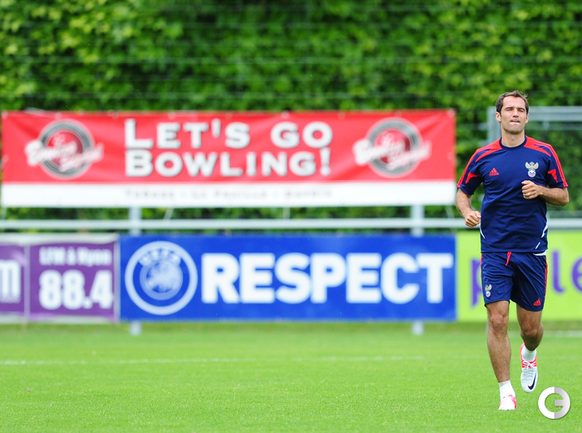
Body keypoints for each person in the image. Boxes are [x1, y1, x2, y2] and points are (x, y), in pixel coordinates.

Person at [455, 90, 569, 410]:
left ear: (527, 117)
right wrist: (466, 211)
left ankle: (529, 353)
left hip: (532, 252)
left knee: (530, 330)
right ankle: (506, 392)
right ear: (499, 116)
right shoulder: (483, 156)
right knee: (497, 320)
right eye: (509, 109)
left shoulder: (544, 152)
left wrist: (541, 190)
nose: (515, 113)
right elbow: (462, 192)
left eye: (520, 109)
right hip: (494, 251)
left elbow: (563, 196)